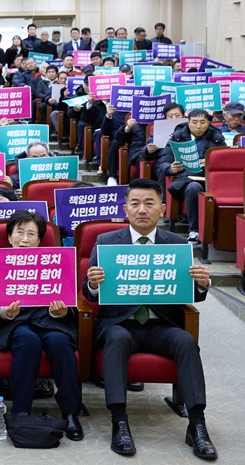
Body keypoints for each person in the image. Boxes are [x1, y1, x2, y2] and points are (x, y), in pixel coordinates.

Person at [82, 178, 217, 459]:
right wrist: (93, 284)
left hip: (161, 325)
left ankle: (197, 425)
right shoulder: (106, 242)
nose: (142, 210)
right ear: (126, 209)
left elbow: (187, 291)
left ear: (162, 209)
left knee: (186, 342)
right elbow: (88, 293)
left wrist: (202, 284)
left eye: (149, 203)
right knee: (117, 340)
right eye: (135, 204)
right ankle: (119, 421)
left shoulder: (177, 243)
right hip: (119, 324)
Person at [0, 210, 83, 440]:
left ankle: (70, 412)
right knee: (27, 341)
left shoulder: (56, 262)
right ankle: (21, 411)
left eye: (31, 234)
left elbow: (71, 301)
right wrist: (5, 313)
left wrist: (61, 311)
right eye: (19, 233)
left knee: (59, 342)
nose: (24, 239)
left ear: (39, 240)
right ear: (9, 237)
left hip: (51, 321)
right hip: (15, 324)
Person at [157, 109, 225, 243]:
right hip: (184, 181)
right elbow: (164, 162)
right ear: (188, 123)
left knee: (198, 186)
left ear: (208, 123)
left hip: (209, 180)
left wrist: (210, 162)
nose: (198, 126)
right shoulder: (177, 138)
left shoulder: (217, 139)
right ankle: (194, 230)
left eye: (202, 122)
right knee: (194, 187)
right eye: (194, 122)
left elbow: (223, 163)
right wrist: (171, 168)